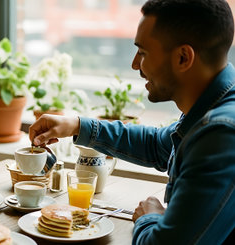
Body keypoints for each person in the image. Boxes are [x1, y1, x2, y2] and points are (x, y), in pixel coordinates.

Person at [29, 0, 235, 244]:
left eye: (143, 53)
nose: (135, 64)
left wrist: (150, 218)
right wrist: (76, 125)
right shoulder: (210, 113)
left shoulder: (221, 135)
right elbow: (157, 145)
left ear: (183, 57)